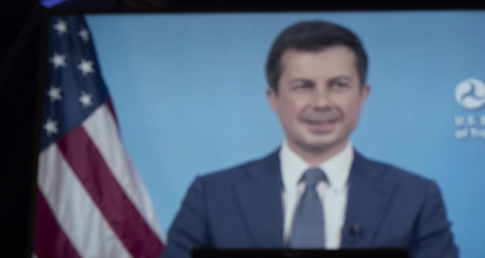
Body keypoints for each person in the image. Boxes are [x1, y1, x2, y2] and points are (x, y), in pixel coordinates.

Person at [163, 20, 458, 258]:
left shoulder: (415, 197)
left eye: (339, 85)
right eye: (303, 87)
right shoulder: (212, 195)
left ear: (363, 95)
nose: (321, 103)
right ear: (274, 99)